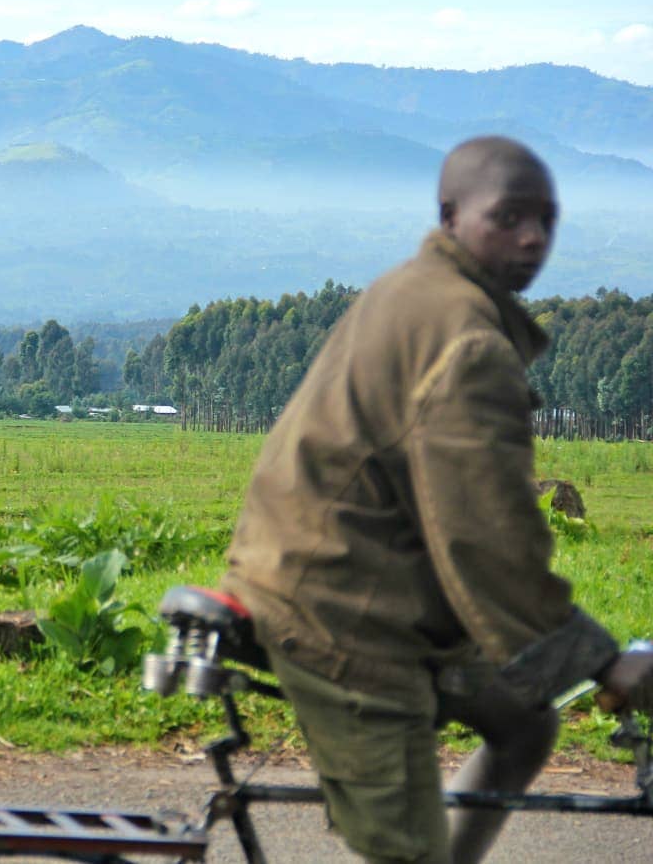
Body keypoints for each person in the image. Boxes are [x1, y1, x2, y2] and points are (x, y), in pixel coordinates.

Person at [220, 136, 653, 864]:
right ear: (451, 215)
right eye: (509, 216)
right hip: (343, 619)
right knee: (404, 854)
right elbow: (486, 539)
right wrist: (603, 662)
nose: (531, 237)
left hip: (340, 582)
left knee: (523, 722)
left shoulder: (412, 288)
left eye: (546, 220)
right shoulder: (469, 341)